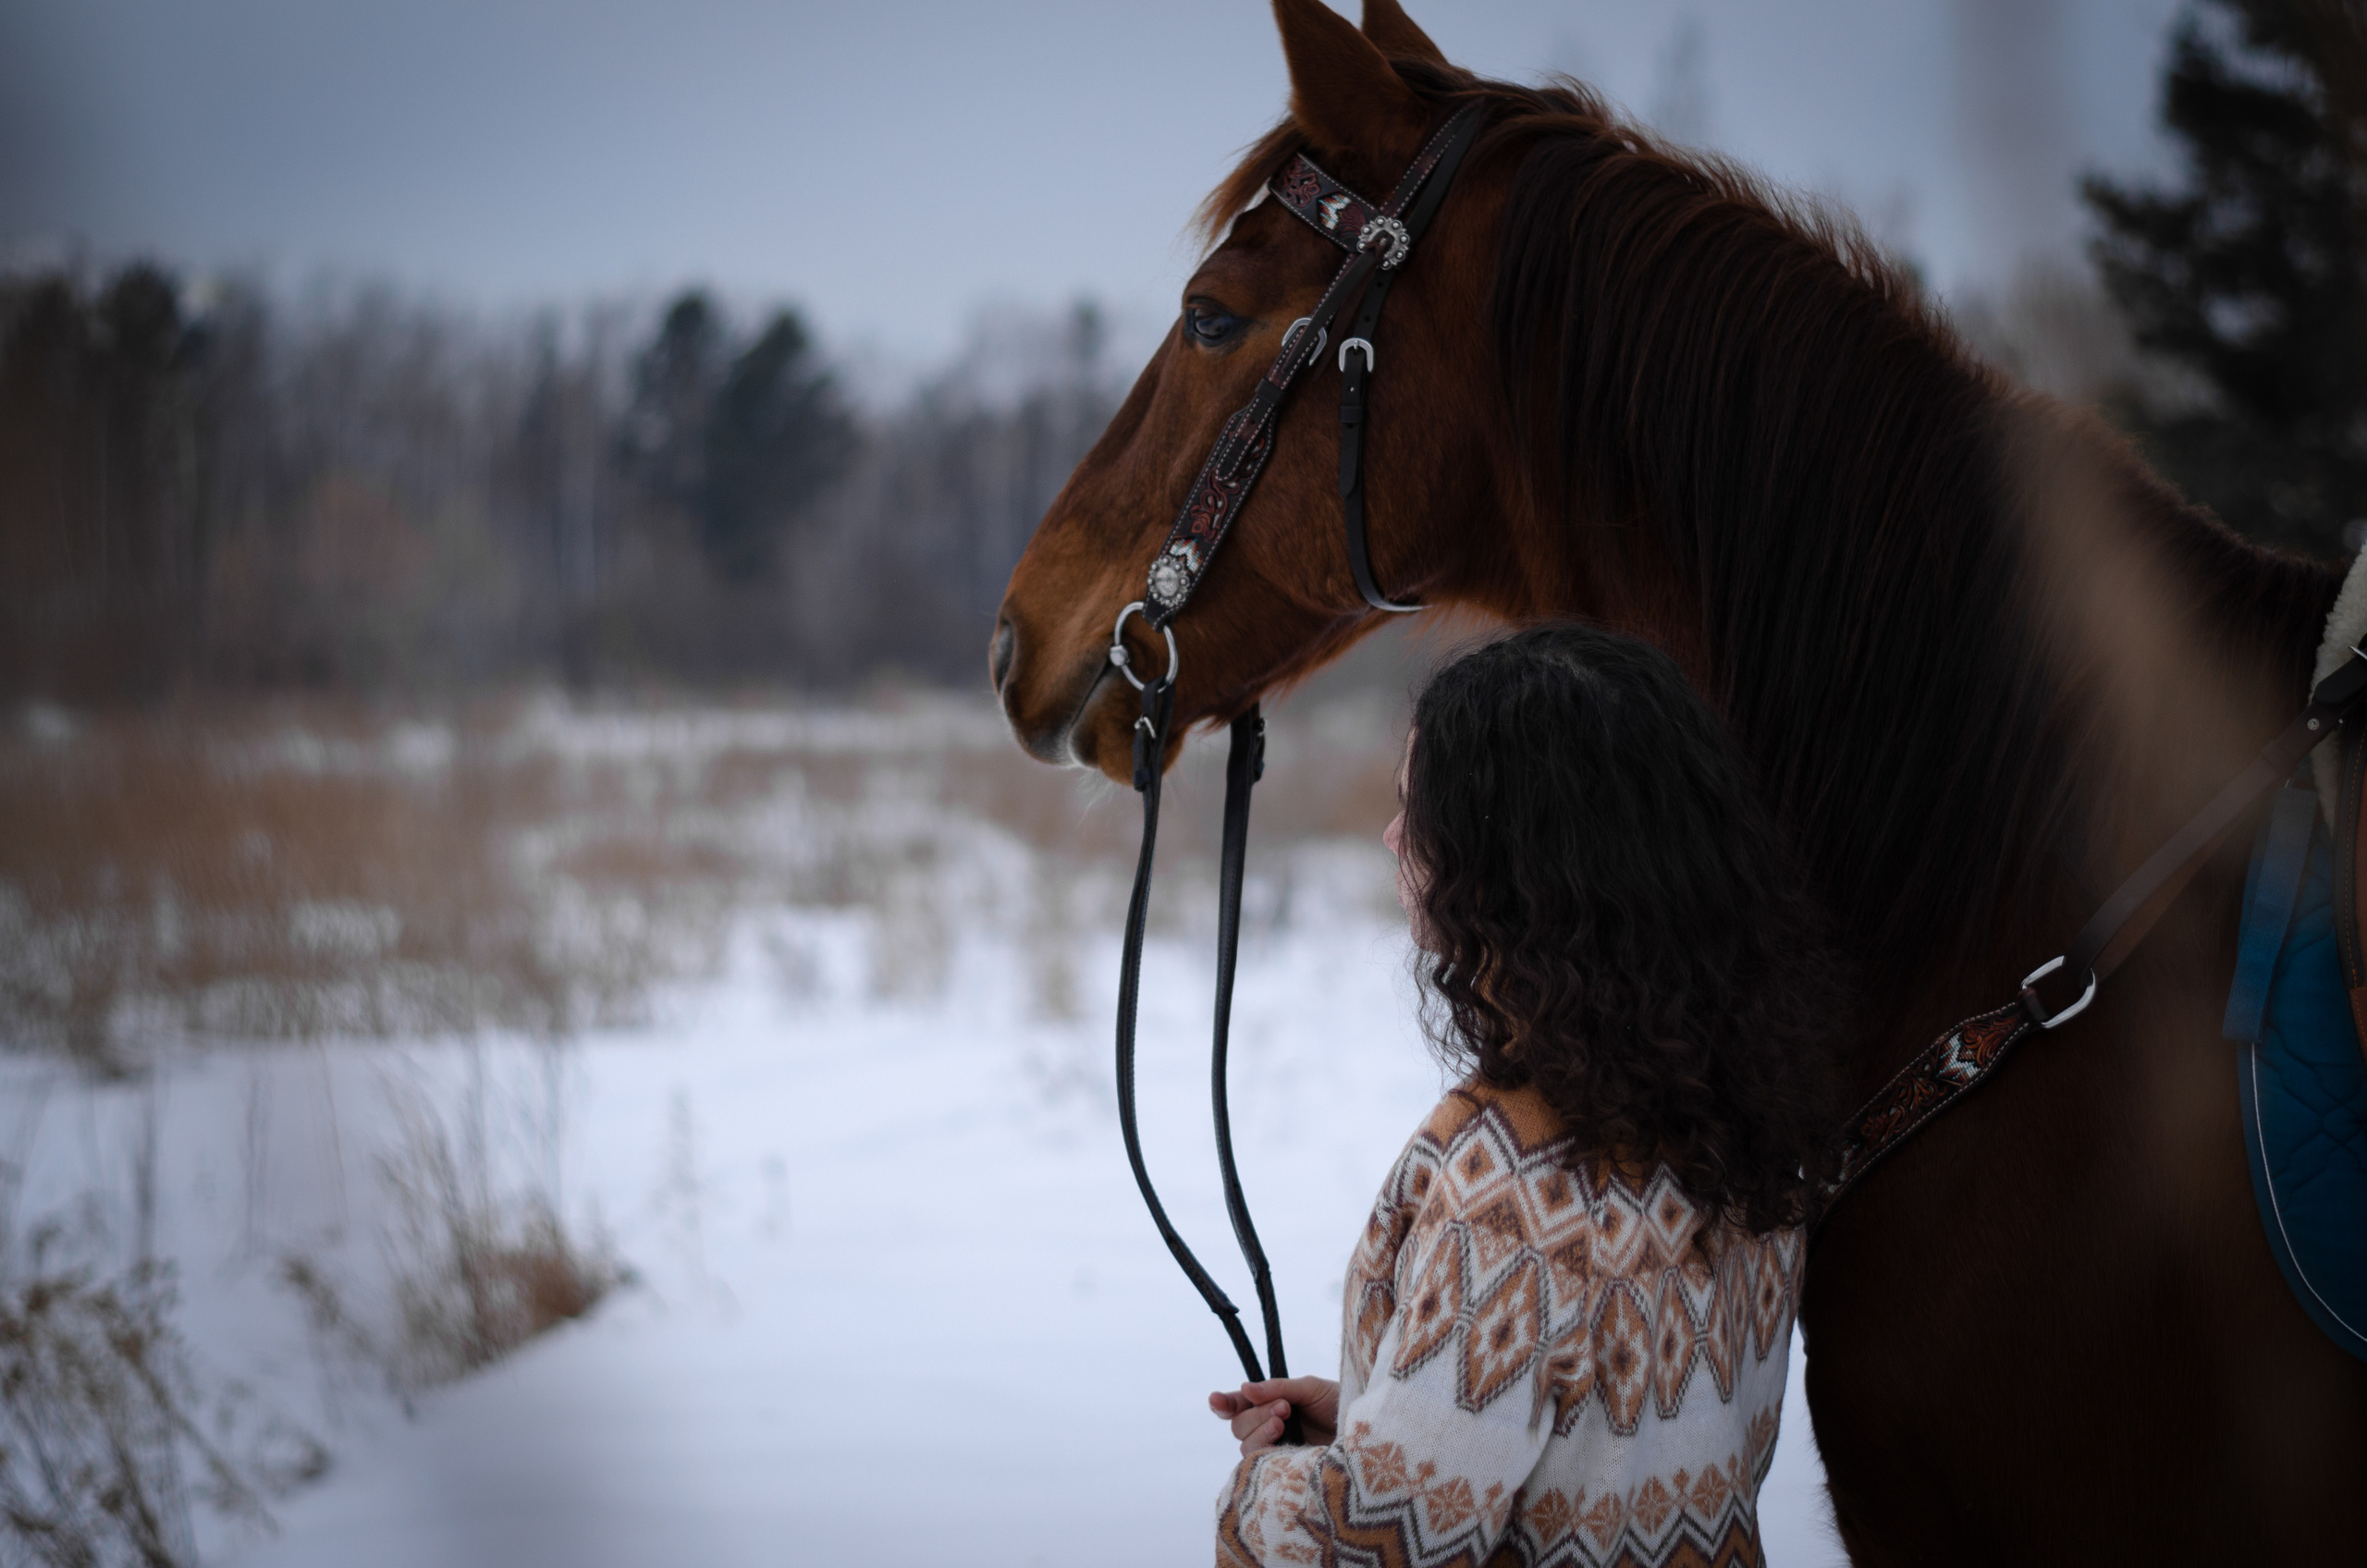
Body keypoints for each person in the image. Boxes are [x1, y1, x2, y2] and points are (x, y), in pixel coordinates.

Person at [1207, 624, 1840, 1567]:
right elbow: (1612, 1446)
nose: (1391, 834)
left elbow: (1377, 1546)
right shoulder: (1743, 1119)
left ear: (1508, 855)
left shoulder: (1510, 1190)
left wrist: (1260, 1491)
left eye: (1417, 804)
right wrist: (1389, 1409)